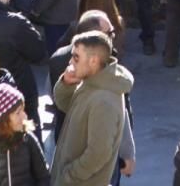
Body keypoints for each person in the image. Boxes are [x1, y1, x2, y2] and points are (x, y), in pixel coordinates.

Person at [50, 30, 134, 186]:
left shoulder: (103, 100)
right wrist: (66, 84)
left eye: (76, 57)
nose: (71, 63)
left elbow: (98, 153)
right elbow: (67, 106)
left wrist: (69, 175)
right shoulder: (91, 83)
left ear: (93, 61)